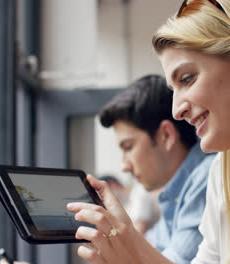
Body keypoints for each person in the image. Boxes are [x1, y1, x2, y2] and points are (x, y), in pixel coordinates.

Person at [67, 0, 230, 263]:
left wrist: (131, 246)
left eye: (187, 79)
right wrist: (128, 244)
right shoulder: (223, 177)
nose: (177, 109)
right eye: (173, 88)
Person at [68, 74, 215, 263]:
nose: (124, 166)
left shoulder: (208, 178)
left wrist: (125, 235)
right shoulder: (174, 194)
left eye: (128, 147)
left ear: (166, 135)